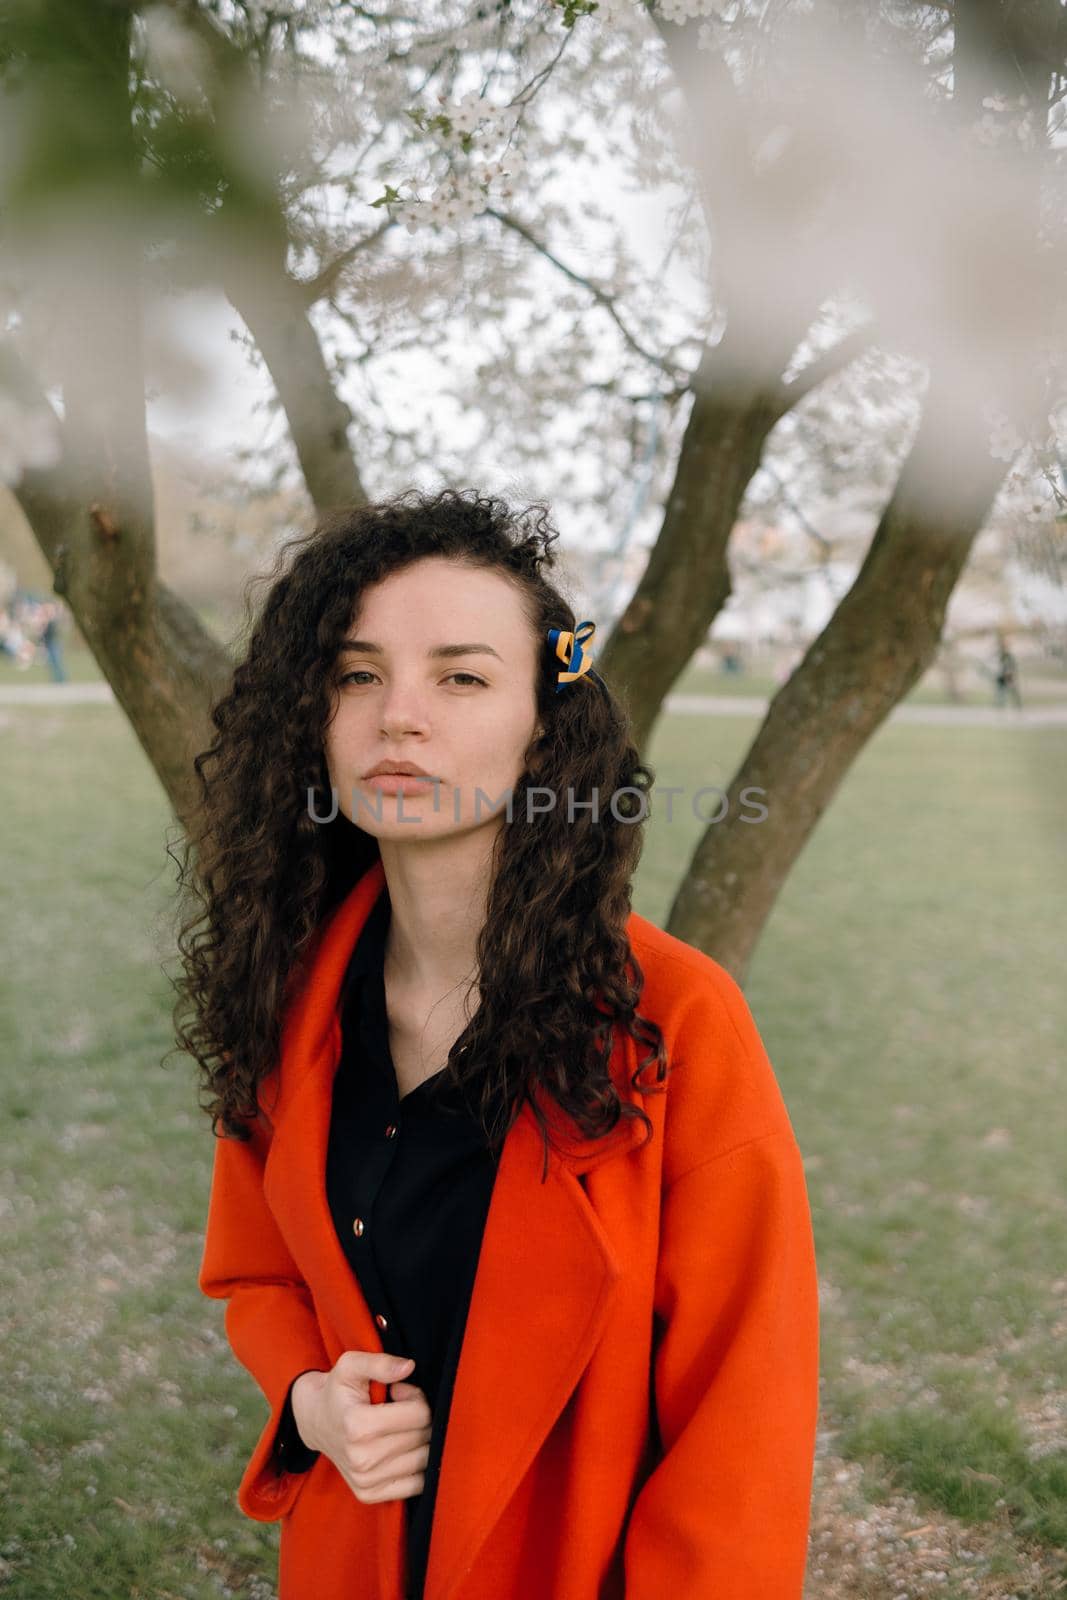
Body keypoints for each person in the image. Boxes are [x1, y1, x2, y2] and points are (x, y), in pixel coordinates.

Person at [173, 487, 820, 1600]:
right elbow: (256, 1272)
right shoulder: (290, 994)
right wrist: (308, 1397)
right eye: (357, 673)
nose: (397, 717)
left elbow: (741, 1417)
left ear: (543, 724)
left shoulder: (674, 1021)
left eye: (461, 676)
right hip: (353, 1561)